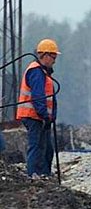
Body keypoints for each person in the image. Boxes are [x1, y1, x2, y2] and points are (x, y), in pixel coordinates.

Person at [17, 39, 60, 178]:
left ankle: (44, 174)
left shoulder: (42, 72)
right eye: (53, 57)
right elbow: (38, 96)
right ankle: (34, 175)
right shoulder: (36, 72)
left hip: (39, 116)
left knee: (47, 148)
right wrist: (45, 116)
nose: (54, 61)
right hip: (33, 116)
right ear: (45, 55)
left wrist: (49, 116)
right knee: (36, 146)